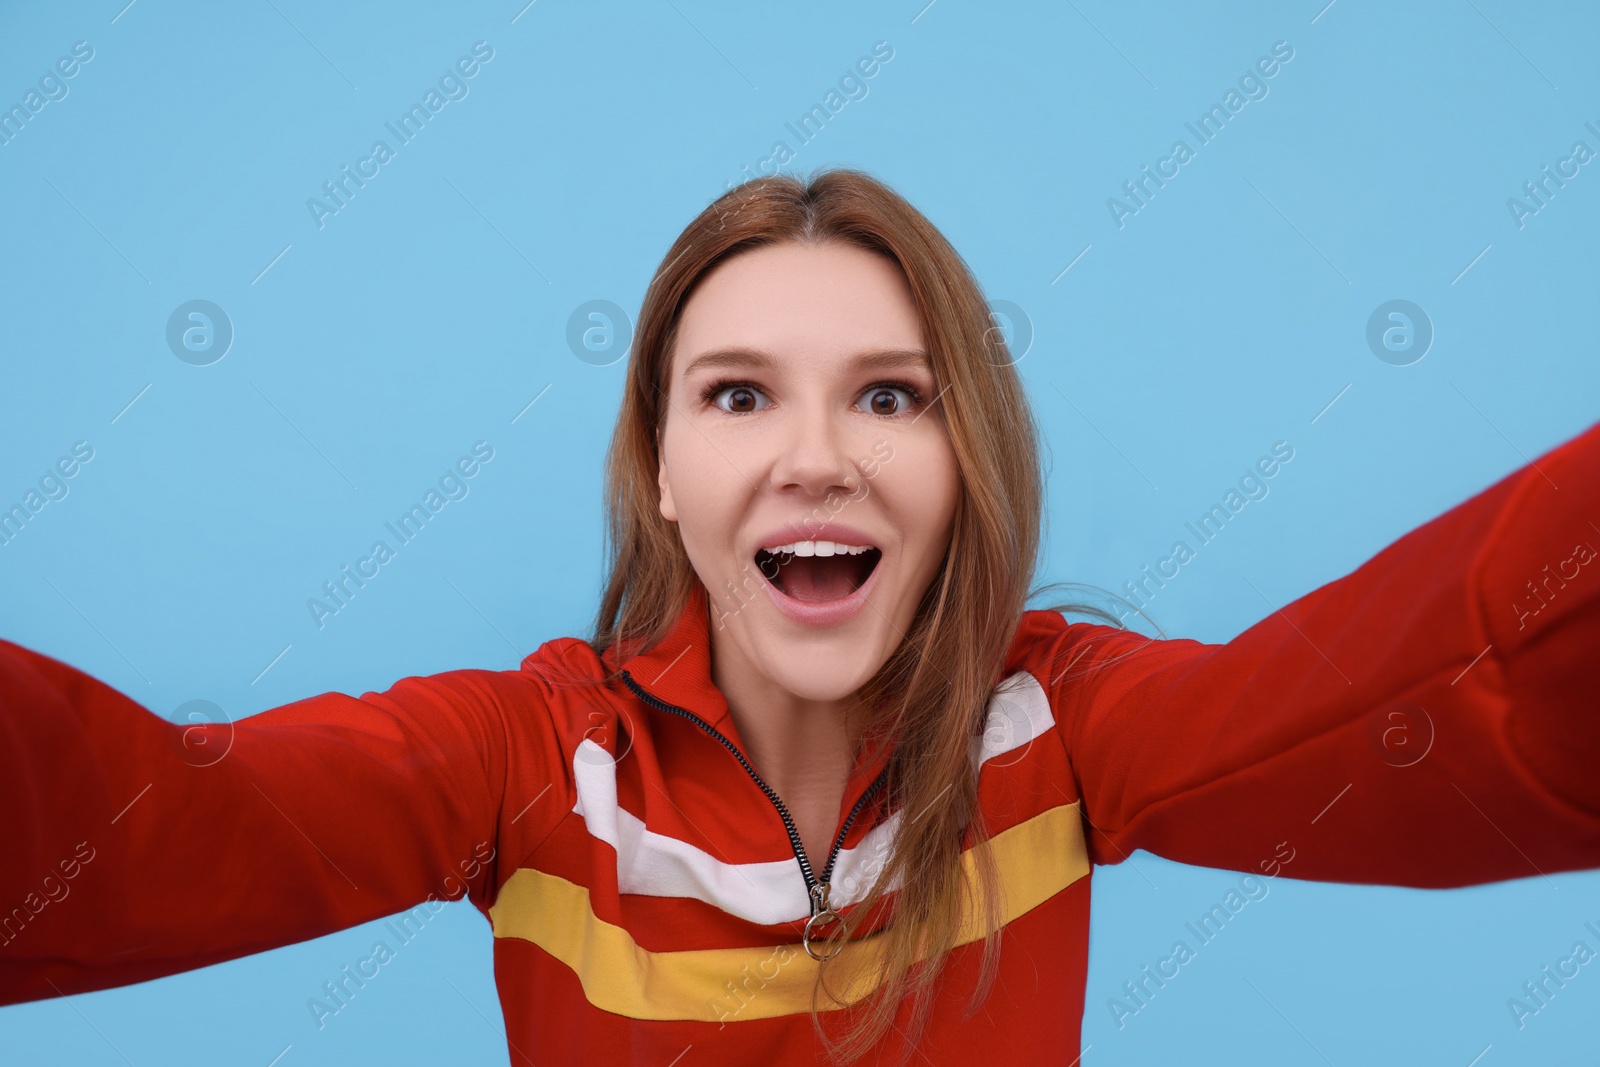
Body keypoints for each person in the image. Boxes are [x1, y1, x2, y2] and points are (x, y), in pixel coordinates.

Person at [2, 168, 1597, 1066]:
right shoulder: (534, 765)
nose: (817, 457)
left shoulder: (1063, 726)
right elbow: (146, 834)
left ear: (964, 465)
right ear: (667, 476)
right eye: (741, 396)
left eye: (890, 398)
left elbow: (1430, 689)